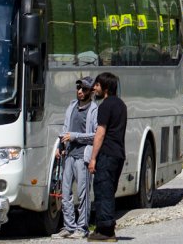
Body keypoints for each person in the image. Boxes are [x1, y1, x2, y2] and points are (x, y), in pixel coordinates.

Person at [57, 76, 99, 238]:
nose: (80, 92)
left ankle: (82, 227)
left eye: (84, 89)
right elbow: (65, 129)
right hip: (69, 154)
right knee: (65, 191)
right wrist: (60, 145)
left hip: (83, 156)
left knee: (83, 193)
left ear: (91, 92)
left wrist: (75, 136)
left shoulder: (94, 110)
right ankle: (69, 226)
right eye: (78, 88)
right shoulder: (72, 106)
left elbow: (95, 135)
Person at [87, 72, 126, 242]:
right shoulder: (121, 105)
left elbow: (100, 133)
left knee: (103, 191)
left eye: (97, 85)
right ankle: (106, 228)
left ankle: (106, 231)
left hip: (107, 154)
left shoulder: (105, 106)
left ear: (106, 87)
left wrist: (93, 157)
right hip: (118, 154)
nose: (94, 88)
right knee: (110, 190)